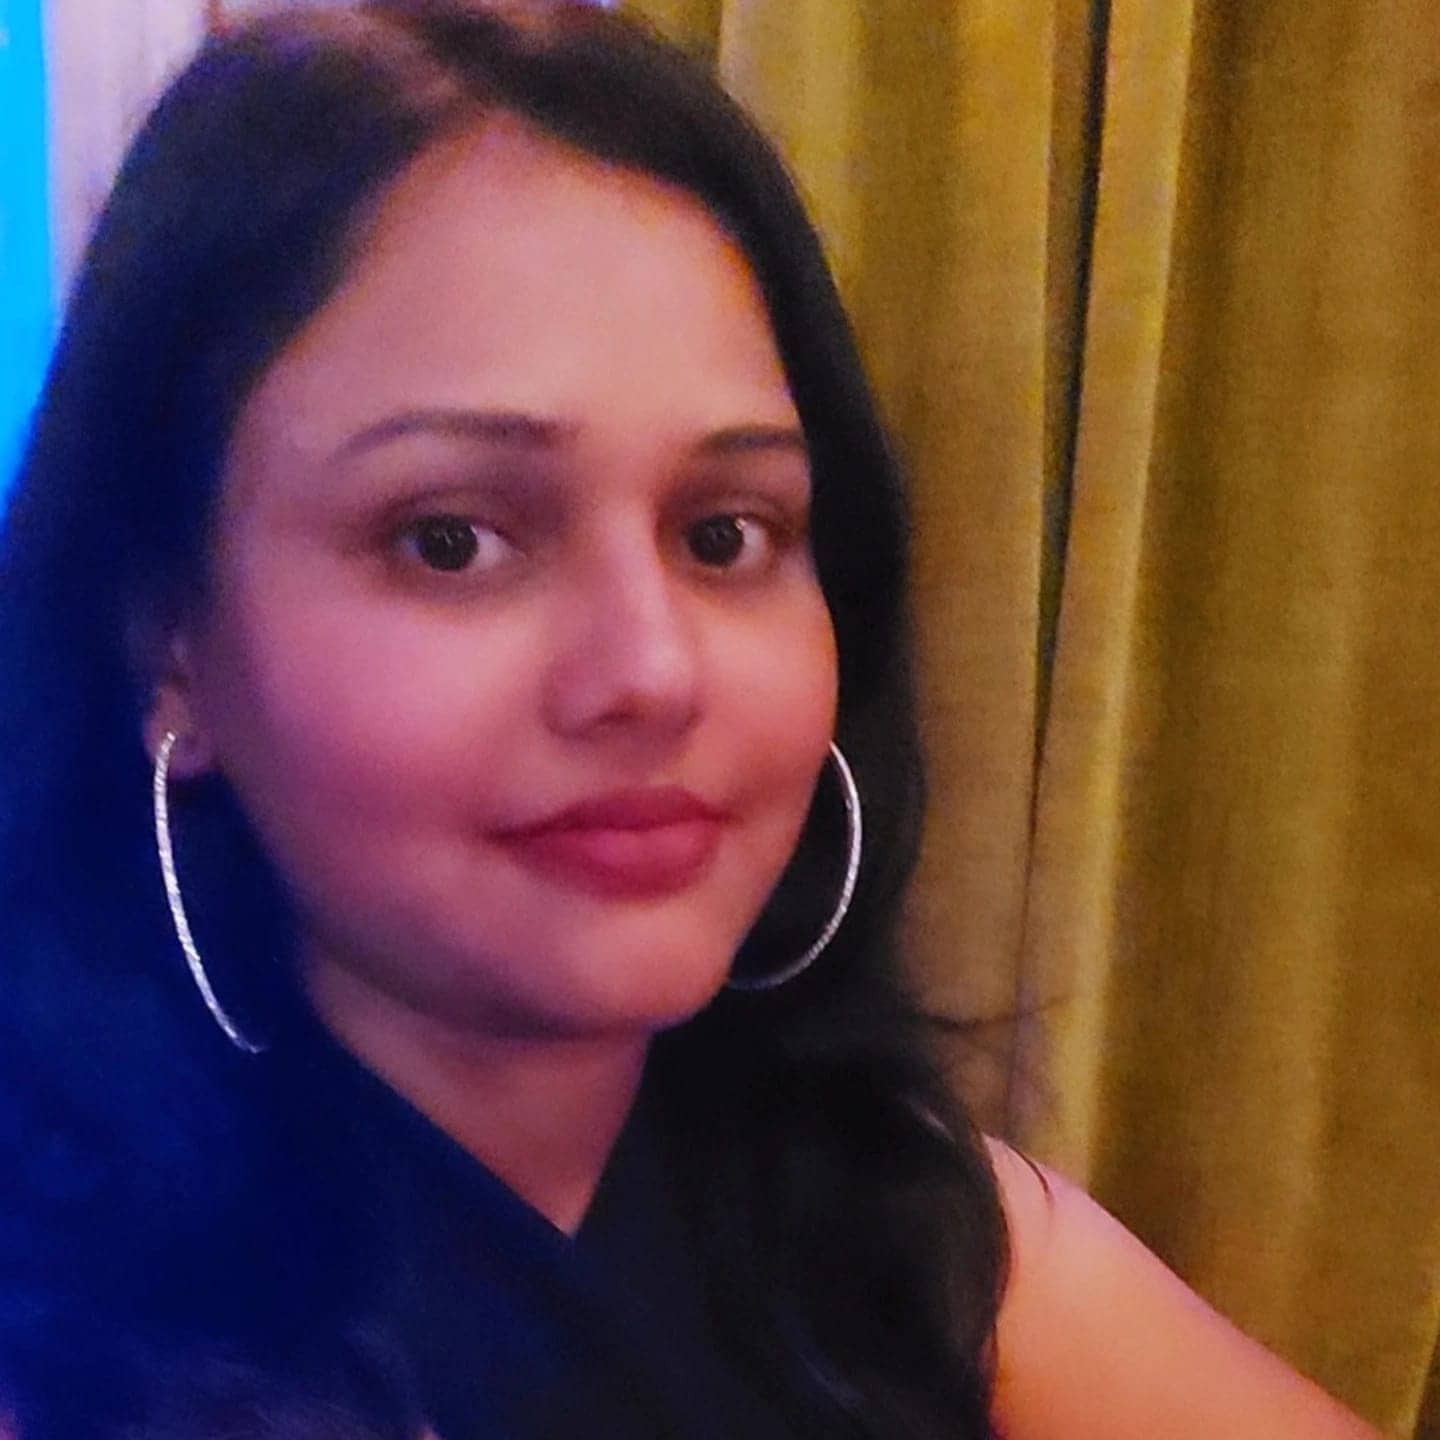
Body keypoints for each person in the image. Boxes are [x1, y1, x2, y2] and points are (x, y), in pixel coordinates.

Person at [0, 4, 1379, 1438]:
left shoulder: (925, 1248)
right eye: (453, 540)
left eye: (726, 535)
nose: (654, 671)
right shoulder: (53, 1346)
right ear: (168, 641)